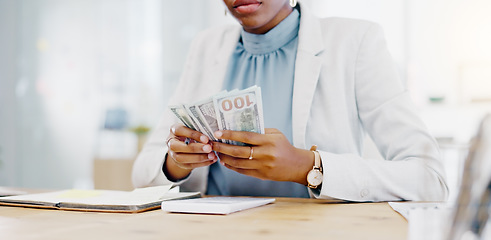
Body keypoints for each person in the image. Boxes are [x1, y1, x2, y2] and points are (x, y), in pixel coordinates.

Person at [132, 0, 449, 201]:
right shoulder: (206, 46)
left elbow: (429, 179)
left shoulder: (355, 42)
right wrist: (175, 164)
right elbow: (142, 173)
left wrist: (308, 167)